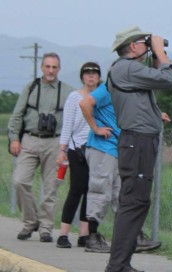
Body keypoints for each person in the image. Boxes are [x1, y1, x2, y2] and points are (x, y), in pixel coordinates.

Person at [103, 26, 172, 272]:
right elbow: (167, 79)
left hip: (139, 142)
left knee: (136, 202)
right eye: (143, 42)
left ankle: (121, 264)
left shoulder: (128, 70)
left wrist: (156, 53)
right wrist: (158, 50)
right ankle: (117, 267)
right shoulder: (125, 67)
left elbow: (156, 76)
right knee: (133, 203)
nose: (147, 45)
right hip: (137, 142)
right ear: (133, 46)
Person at [80, 80, 162, 254]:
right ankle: (92, 237)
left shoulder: (124, 92)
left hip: (121, 148)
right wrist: (96, 128)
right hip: (103, 147)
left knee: (123, 195)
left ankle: (132, 238)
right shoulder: (107, 89)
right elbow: (85, 103)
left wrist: (157, 116)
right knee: (100, 190)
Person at [8, 52, 76, 243]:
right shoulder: (30, 88)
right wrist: (14, 138)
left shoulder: (68, 92)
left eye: (54, 67)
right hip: (30, 139)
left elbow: (78, 115)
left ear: (59, 69)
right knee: (19, 181)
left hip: (55, 142)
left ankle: (46, 227)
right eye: (47, 66)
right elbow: (17, 114)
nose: (50, 71)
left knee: (51, 186)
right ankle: (30, 222)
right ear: (42, 67)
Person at [54, 62, 102, 248]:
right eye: (87, 73)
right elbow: (67, 125)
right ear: (82, 77)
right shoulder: (74, 97)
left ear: (99, 77)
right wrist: (62, 149)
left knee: (92, 191)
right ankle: (64, 234)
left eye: (94, 73)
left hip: (97, 148)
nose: (91, 76)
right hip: (77, 148)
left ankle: (84, 234)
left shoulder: (103, 97)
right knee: (77, 189)